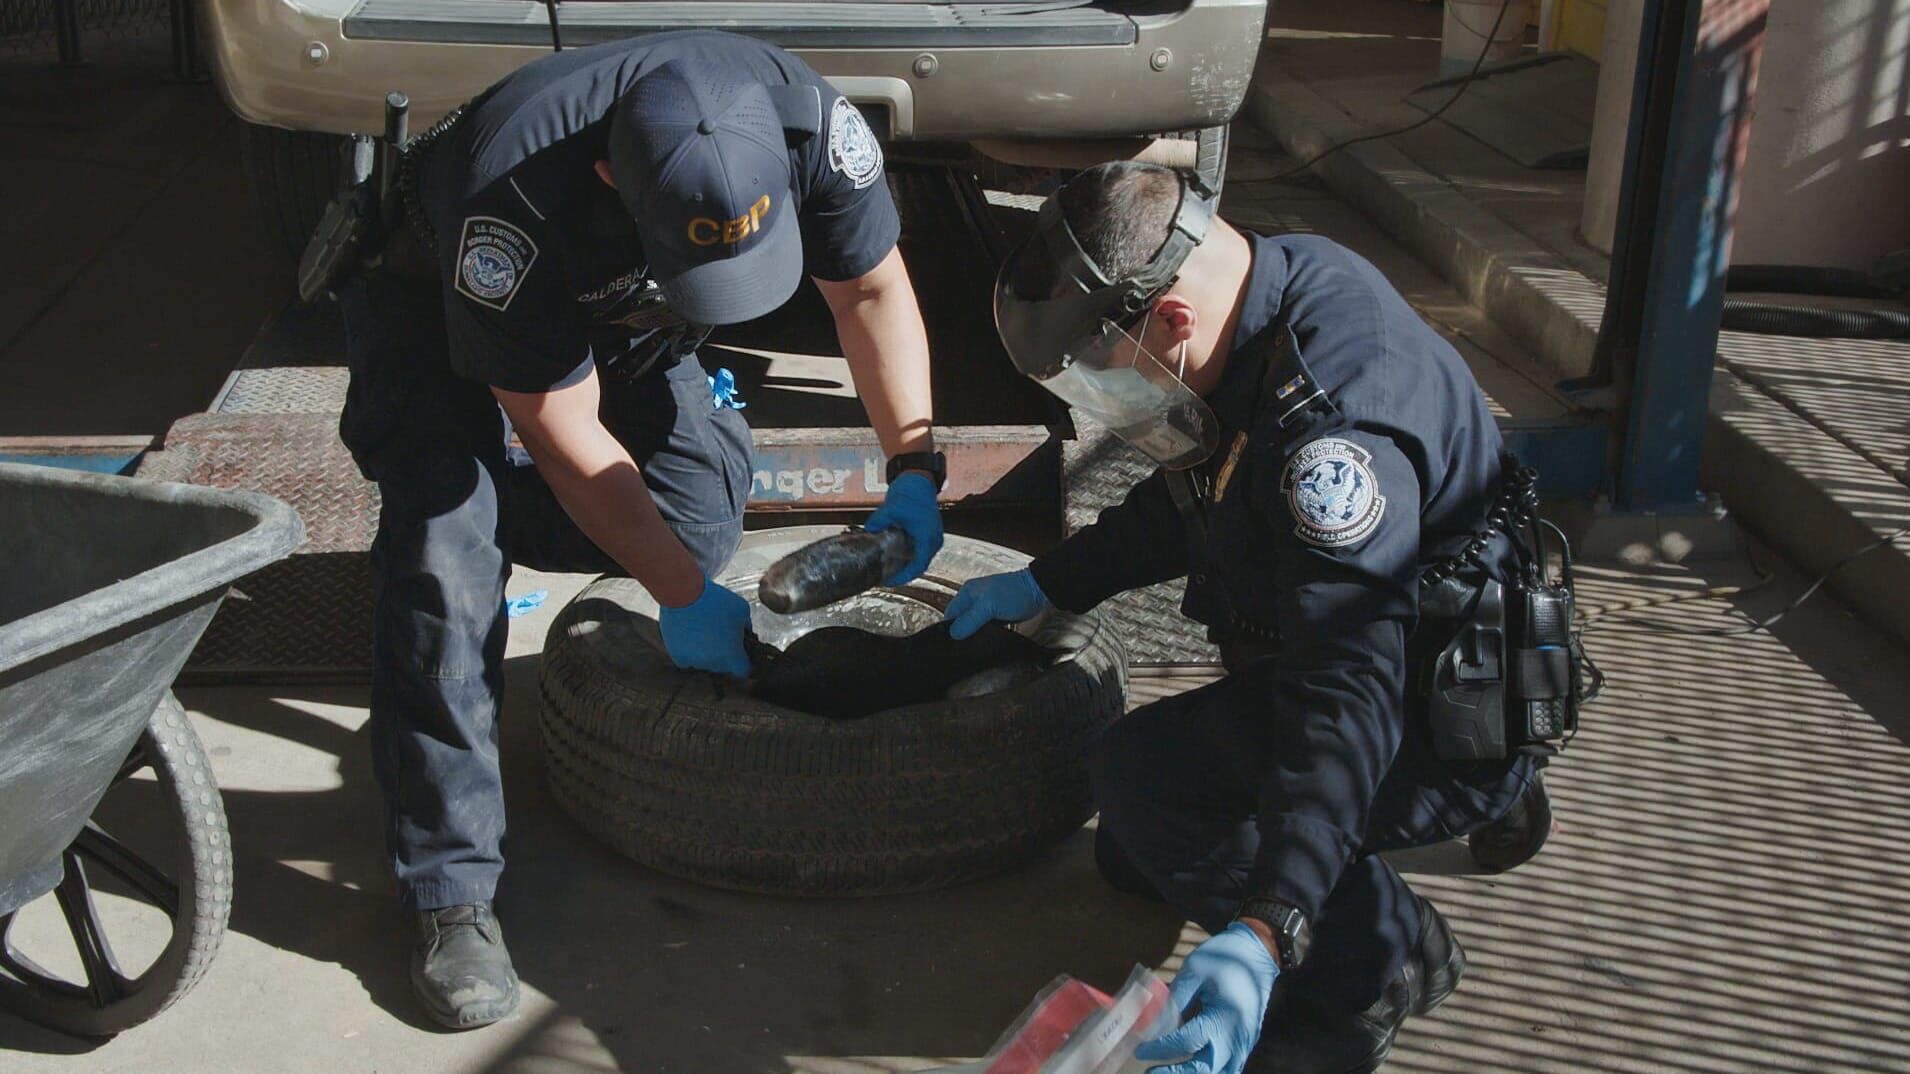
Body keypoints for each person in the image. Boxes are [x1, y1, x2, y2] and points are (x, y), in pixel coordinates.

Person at [336, 30, 947, 1028]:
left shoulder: (807, 124)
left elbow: (871, 291)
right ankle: (449, 889)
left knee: (695, 522)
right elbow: (562, 426)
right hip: (431, 290)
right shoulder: (510, 200)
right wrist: (668, 593)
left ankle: (481, 527)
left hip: (618, 298)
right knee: (445, 561)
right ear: (613, 171)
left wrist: (915, 470)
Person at [943, 162, 1554, 1074]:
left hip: (1416, 702)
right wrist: (1050, 582)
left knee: (1141, 782)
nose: (1094, 396)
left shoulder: (1332, 440)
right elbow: (1198, 494)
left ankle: (1381, 959)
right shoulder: (1272, 287)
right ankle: (1445, 815)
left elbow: (1345, 697)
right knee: (1135, 856)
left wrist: (1270, 930)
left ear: (1169, 320)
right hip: (1432, 639)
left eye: (1090, 370)